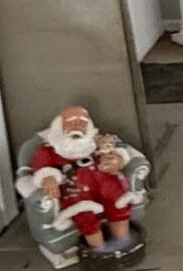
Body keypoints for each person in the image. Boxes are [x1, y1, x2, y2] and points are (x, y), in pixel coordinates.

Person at [29, 104, 142, 255]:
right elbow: (42, 167)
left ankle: (122, 241)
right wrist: (48, 177)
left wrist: (118, 160)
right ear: (60, 125)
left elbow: (119, 149)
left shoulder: (98, 139)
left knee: (119, 205)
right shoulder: (49, 149)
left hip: (107, 184)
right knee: (84, 216)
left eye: (82, 122)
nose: (77, 125)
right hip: (77, 192)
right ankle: (99, 249)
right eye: (72, 121)